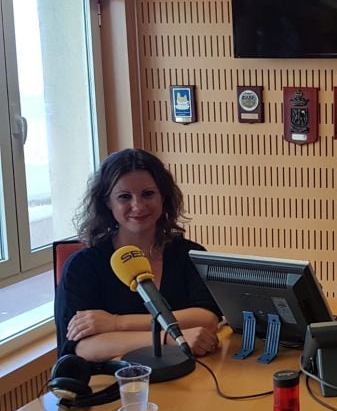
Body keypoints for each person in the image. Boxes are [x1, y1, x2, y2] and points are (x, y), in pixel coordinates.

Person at [55, 148, 222, 361]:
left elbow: (206, 319)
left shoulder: (189, 254)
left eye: (148, 194)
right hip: (117, 384)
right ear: (108, 202)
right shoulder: (82, 266)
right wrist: (167, 339)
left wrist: (115, 324)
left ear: (163, 196)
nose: (138, 205)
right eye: (124, 197)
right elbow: (85, 347)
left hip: (189, 376)